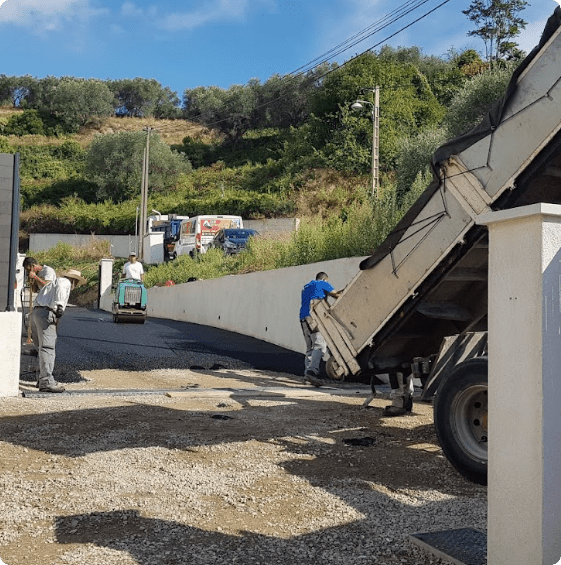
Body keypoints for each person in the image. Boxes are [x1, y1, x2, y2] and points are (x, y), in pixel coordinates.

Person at [23, 258, 86, 393]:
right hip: (46, 313)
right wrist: (59, 308)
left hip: (37, 312)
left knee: (41, 348)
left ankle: (40, 379)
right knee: (48, 348)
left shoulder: (54, 282)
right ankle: (46, 382)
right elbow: (60, 298)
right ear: (74, 280)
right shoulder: (65, 282)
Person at [299, 272, 342, 386]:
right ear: (325, 280)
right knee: (320, 345)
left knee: (310, 348)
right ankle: (312, 372)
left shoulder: (306, 286)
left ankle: (307, 375)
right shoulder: (322, 283)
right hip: (314, 318)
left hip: (303, 318)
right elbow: (336, 294)